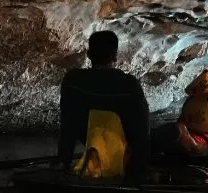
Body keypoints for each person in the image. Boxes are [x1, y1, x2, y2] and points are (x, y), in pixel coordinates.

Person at [57, 30, 150, 178]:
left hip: (90, 143)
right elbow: (142, 130)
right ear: (115, 56)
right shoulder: (129, 85)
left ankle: (63, 163)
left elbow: (67, 126)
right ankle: (133, 169)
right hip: (121, 154)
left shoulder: (73, 81)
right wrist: (138, 168)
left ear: (89, 54)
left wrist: (63, 160)